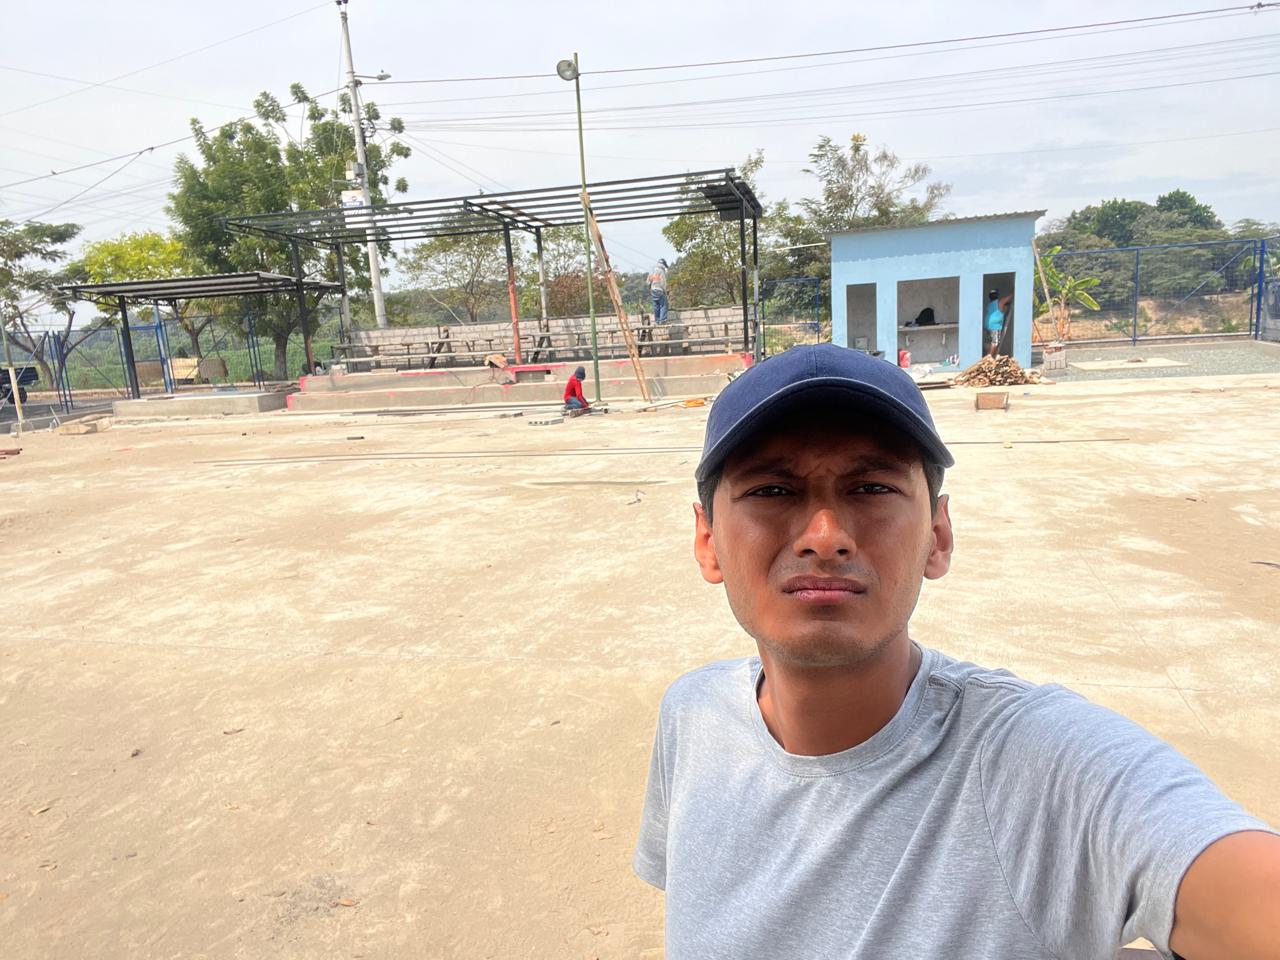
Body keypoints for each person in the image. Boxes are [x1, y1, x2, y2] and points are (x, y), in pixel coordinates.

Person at [634, 343, 1278, 960]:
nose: (824, 537)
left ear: (937, 536)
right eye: (772, 491)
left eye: (871, 488)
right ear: (708, 541)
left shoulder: (1040, 766)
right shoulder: (693, 716)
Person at [985, 288, 1012, 357]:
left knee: (989, 343)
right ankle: (989, 358)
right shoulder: (1000, 302)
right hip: (994, 326)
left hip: (987, 325)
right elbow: (1009, 298)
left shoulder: (990, 304)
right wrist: (1013, 292)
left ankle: (987, 356)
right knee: (995, 343)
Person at [648, 258, 670, 325]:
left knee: (656, 305)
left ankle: (657, 321)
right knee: (664, 304)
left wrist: (650, 288)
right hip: (659, 289)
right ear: (663, 264)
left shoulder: (652, 270)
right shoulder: (661, 271)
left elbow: (648, 281)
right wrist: (665, 291)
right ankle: (663, 320)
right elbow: (663, 282)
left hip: (653, 289)